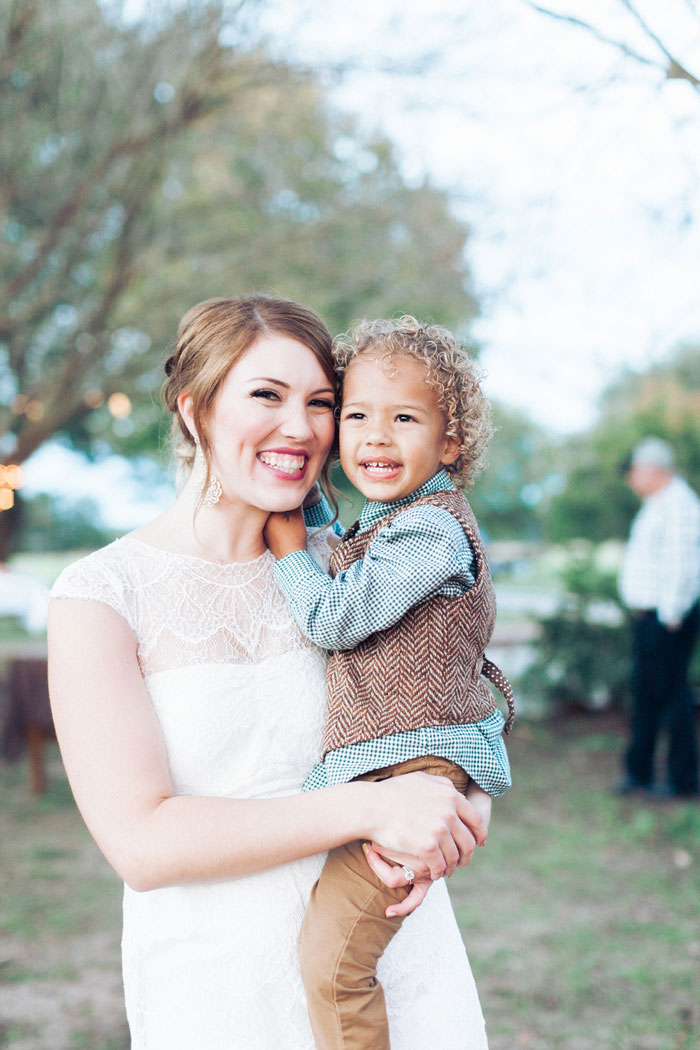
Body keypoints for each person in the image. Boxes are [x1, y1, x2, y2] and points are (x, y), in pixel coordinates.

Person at [47, 295, 492, 1050]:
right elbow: (141, 844)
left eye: (322, 402)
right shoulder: (100, 595)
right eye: (266, 396)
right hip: (221, 983)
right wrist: (372, 810)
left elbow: (452, 681)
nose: (302, 427)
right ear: (194, 410)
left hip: (392, 962)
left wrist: (466, 798)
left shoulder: (351, 568)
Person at [265, 316, 513, 1050]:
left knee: (334, 966)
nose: (375, 436)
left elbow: (337, 615)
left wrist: (286, 546)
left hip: (415, 763)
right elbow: (344, 550)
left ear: (449, 443)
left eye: (404, 418)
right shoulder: (392, 520)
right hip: (393, 762)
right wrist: (305, 499)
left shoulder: (431, 531)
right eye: (357, 416)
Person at [617, 436, 700, 798]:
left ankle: (683, 780)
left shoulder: (679, 505)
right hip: (651, 619)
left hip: (666, 621)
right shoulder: (658, 504)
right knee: (648, 697)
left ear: (652, 470)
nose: (631, 478)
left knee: (672, 698)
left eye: (634, 470)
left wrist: (669, 618)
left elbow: (684, 568)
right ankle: (640, 773)